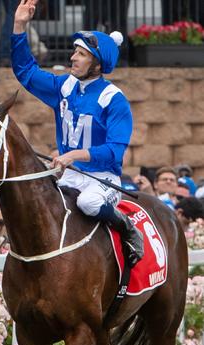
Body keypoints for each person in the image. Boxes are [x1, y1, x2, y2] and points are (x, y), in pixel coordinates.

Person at [11, 0, 143, 265]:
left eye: (81, 54)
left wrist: (73, 155)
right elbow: (26, 72)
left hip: (103, 180)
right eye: (74, 52)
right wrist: (19, 26)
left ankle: (127, 227)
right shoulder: (65, 86)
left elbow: (114, 151)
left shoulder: (114, 99)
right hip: (69, 177)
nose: (72, 58)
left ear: (97, 63)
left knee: (89, 204)